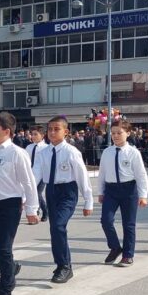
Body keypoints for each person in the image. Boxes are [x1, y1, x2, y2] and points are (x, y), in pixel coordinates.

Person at [0, 112, 40, 295]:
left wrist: (32, 208)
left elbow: (29, 183)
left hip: (10, 205)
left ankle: (5, 292)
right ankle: (11, 269)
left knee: (4, 249)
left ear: (6, 131)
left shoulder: (17, 153)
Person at [33, 116, 93, 284]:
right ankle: (62, 265)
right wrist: (26, 196)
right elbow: (35, 175)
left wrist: (88, 201)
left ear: (66, 132)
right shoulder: (43, 152)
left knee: (59, 226)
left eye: (56, 129)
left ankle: (64, 266)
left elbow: (82, 177)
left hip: (67, 191)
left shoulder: (71, 152)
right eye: (50, 129)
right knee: (55, 229)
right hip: (51, 190)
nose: (52, 132)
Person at [97, 119, 148, 267]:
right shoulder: (107, 152)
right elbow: (102, 173)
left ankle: (128, 255)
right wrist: (101, 192)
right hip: (111, 190)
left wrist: (143, 195)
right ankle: (115, 247)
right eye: (113, 133)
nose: (115, 136)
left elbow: (141, 175)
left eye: (119, 133)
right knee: (106, 220)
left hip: (129, 190)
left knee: (128, 224)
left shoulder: (133, 153)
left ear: (128, 133)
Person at [24, 125, 49, 220]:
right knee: (32, 193)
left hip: (42, 175)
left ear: (42, 135)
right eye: (32, 134)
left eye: (35, 134)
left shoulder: (46, 148)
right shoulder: (29, 147)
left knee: (37, 193)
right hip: (31, 174)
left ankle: (45, 211)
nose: (33, 136)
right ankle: (36, 211)